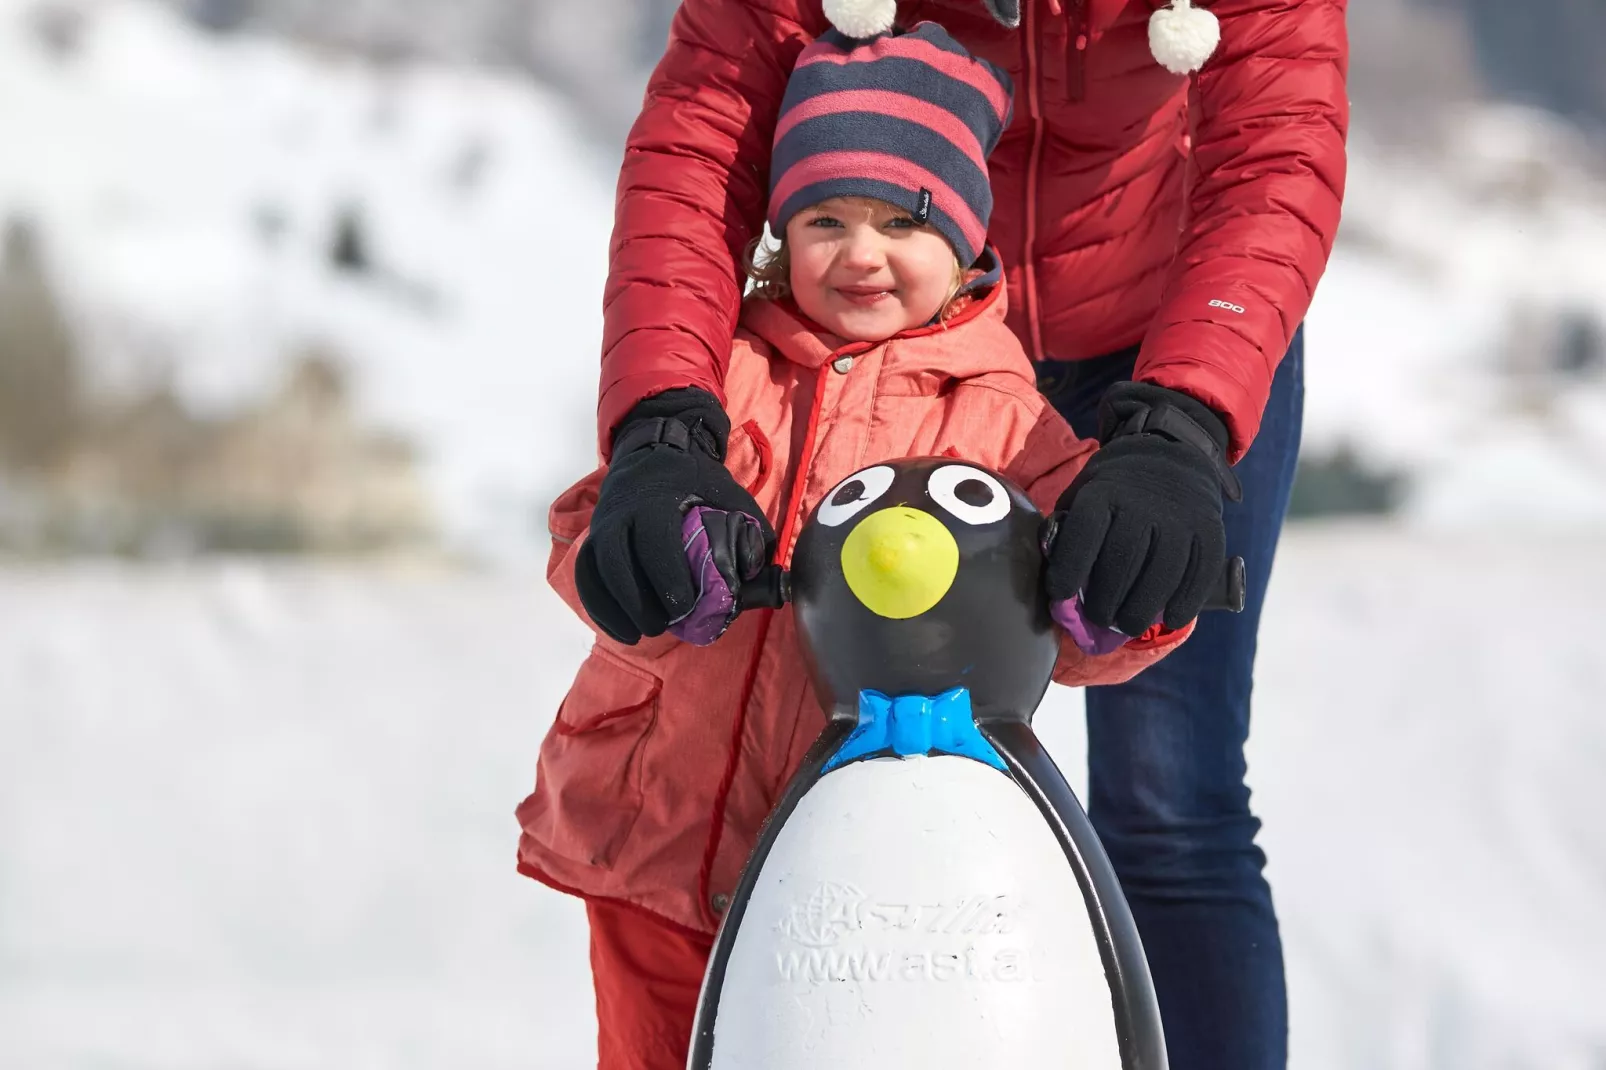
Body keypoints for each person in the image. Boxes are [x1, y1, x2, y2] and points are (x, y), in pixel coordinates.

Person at [576, 0, 1347, 1065]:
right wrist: (663, 425)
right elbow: (702, 129)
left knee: (1173, 797)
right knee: (843, 754)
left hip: (1163, 323)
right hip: (883, 334)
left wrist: (1181, 424)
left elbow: (1277, 141)